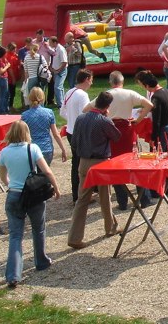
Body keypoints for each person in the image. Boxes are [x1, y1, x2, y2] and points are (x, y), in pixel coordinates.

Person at [0, 119, 61, 288]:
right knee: (38, 228)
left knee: (15, 235)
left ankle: (13, 275)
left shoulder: (4, 152)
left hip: (14, 195)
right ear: (26, 133)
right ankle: (40, 261)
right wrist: (56, 187)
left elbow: (3, 176)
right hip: (33, 194)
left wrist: (10, 184)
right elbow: (46, 170)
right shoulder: (32, 149)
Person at [87, 71, 153, 210]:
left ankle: (122, 202)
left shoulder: (105, 95)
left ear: (111, 82)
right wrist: (138, 120)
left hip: (111, 131)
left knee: (115, 166)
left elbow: (86, 109)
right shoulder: (129, 93)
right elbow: (149, 105)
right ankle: (144, 198)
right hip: (127, 130)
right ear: (122, 82)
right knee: (136, 163)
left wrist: (103, 116)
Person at [67, 91, 121, 249]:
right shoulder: (104, 121)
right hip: (101, 162)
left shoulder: (81, 118)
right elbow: (116, 136)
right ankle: (110, 227)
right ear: (107, 106)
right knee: (105, 196)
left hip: (84, 162)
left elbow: (74, 141)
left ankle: (75, 237)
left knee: (82, 199)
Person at [60, 69, 93, 204]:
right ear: (86, 79)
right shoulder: (82, 95)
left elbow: (62, 112)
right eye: (91, 80)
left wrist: (71, 120)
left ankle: (77, 194)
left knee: (76, 164)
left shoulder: (69, 92)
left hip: (70, 131)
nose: (91, 83)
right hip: (80, 133)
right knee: (85, 164)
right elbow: (85, 116)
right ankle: (82, 195)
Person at [21, 87, 66, 165]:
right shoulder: (49, 113)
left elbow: (22, 135)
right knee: (45, 173)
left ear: (30, 98)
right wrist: (63, 149)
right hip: (46, 148)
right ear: (42, 98)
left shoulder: (25, 115)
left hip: (31, 149)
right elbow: (56, 134)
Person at [47, 36, 68, 108]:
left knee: (57, 87)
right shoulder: (55, 49)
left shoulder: (61, 49)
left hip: (61, 71)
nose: (49, 44)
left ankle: (60, 105)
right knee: (60, 87)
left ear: (54, 42)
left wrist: (58, 70)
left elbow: (64, 62)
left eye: (50, 42)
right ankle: (63, 103)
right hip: (55, 71)